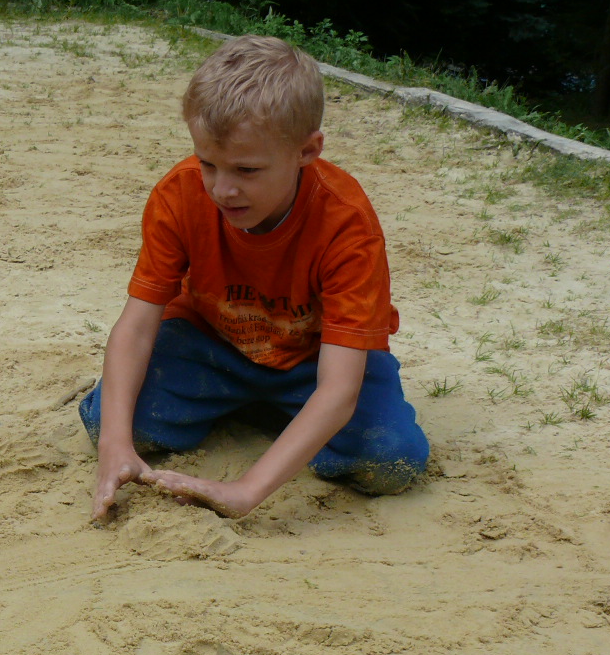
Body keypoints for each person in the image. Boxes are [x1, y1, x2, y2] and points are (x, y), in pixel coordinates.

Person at [85, 35, 429, 521]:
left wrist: (245, 491)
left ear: (307, 151)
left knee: (391, 460)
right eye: (208, 163)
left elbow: (338, 389)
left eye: (247, 170)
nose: (222, 189)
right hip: (211, 345)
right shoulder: (180, 195)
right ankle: (263, 410)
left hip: (317, 359)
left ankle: (275, 413)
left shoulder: (346, 223)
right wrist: (114, 446)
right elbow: (137, 326)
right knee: (109, 421)